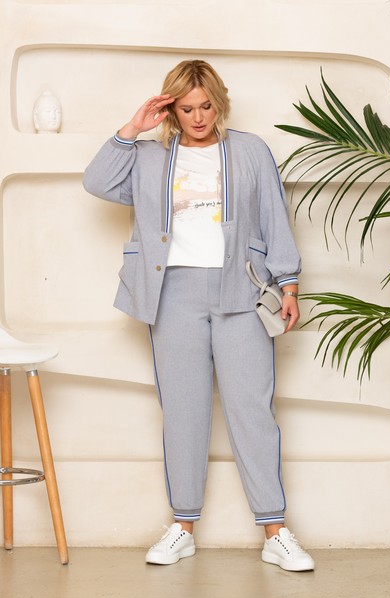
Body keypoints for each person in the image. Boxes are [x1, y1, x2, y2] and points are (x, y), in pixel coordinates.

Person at [83, 59, 314, 572]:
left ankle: (275, 531)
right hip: (172, 294)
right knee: (183, 412)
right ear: (171, 109)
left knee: (252, 410)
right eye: (186, 109)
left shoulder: (250, 151)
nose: (198, 117)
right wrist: (133, 127)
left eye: (206, 106)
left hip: (242, 290)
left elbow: (274, 216)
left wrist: (289, 283)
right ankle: (182, 527)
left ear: (219, 103)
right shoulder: (149, 157)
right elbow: (96, 182)